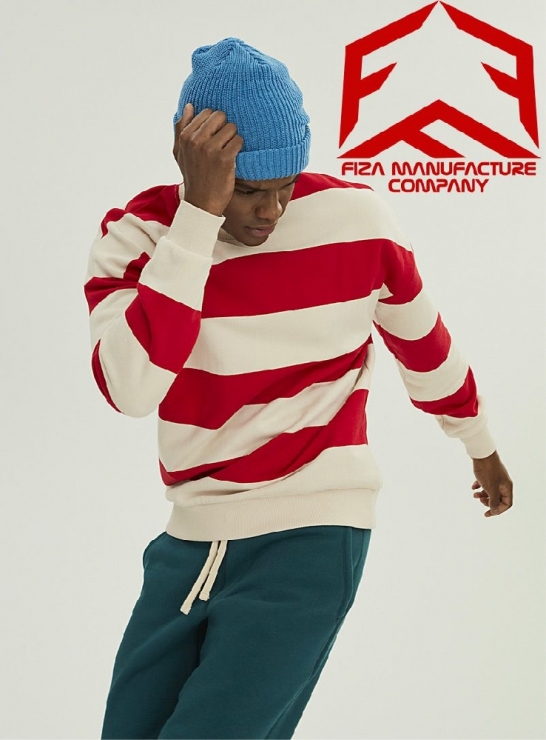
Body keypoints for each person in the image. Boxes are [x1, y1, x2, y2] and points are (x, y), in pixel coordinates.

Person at [84, 37, 513, 740]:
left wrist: (479, 442)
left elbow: (423, 342)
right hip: (188, 544)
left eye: (285, 186)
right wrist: (197, 222)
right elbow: (131, 388)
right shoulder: (139, 238)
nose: (272, 212)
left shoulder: (357, 222)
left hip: (312, 537)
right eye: (248, 190)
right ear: (191, 158)